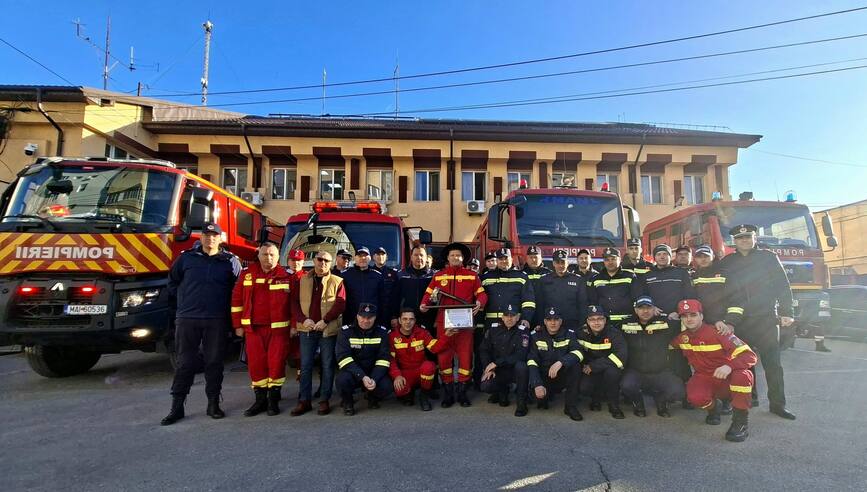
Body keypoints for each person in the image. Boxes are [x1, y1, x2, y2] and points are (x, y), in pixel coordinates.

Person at [161, 222, 242, 425]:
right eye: (207, 235)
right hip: (188, 319)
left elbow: (238, 290)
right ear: (201, 237)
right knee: (185, 363)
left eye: (214, 235)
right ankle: (177, 407)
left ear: (221, 238)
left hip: (216, 320)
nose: (210, 238)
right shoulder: (186, 258)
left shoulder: (230, 261)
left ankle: (213, 404)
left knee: (214, 363)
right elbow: (172, 283)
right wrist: (183, 304)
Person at [718, 224, 797, 420]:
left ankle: (778, 405)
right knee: (743, 363)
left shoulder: (768, 258)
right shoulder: (727, 262)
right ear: (734, 241)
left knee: (773, 364)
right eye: (740, 238)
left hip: (766, 318)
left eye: (748, 237)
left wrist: (787, 312)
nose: (744, 240)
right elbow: (720, 290)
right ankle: (749, 398)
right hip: (740, 320)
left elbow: (783, 285)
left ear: (755, 238)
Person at [671, 299, 757, 442]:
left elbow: (750, 355)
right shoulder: (682, 338)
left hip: (726, 377)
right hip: (704, 377)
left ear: (701, 316)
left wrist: (729, 366)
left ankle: (740, 423)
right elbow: (665, 346)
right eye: (684, 316)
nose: (689, 319)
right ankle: (714, 408)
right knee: (695, 398)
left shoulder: (719, 332)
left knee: (743, 375)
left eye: (693, 314)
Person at [420, 242, 487, 408]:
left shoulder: (472, 276)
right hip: (444, 325)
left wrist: (480, 302)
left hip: (465, 324)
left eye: (458, 255)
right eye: (452, 255)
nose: (455, 257)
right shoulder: (439, 276)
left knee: (465, 359)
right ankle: (449, 394)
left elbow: (482, 294)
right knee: (444, 359)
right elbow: (429, 294)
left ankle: (462, 393)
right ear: (448, 258)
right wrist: (423, 304)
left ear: (463, 258)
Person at [230, 242, 293, 417]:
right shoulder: (246, 275)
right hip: (253, 330)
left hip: (278, 331)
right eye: (265, 254)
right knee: (256, 365)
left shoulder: (286, 276)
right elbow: (236, 302)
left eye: (272, 254)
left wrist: (294, 326)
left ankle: (273, 400)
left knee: (276, 364)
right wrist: (237, 325)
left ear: (278, 257)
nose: (269, 258)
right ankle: (260, 400)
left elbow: (294, 304)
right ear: (258, 256)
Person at [290, 251, 346, 416]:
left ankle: (324, 400)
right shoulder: (302, 280)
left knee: (327, 366)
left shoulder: (338, 281)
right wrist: (302, 319)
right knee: (305, 366)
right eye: (320, 259)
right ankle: (304, 401)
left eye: (327, 261)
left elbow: (340, 304)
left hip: (326, 330)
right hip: (307, 328)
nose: (323, 263)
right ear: (314, 260)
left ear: (331, 263)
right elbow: (293, 302)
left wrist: (326, 320)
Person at [619, 296, 684, 417]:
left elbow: (686, 326)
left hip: (660, 371)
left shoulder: (665, 323)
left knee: (678, 390)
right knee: (626, 385)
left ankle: (661, 400)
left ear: (654, 309)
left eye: (648, 307)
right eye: (641, 308)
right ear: (635, 310)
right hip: (636, 371)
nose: (645, 311)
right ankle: (638, 403)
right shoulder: (625, 324)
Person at [335, 303, 393, 415]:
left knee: (387, 385)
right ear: (357, 316)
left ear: (375, 317)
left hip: (372, 371)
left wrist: (374, 379)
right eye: (363, 317)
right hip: (353, 372)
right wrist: (362, 376)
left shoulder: (382, 332)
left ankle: (372, 396)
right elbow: (343, 358)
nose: (366, 320)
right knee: (342, 381)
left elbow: (384, 359)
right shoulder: (345, 332)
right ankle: (348, 402)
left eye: (370, 317)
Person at [527, 306, 584, 421]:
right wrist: (537, 383)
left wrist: (561, 362)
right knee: (539, 400)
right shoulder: (536, 335)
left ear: (561, 321)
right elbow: (531, 360)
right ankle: (546, 395)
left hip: (561, 374)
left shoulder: (569, 334)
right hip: (544, 377)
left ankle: (570, 407)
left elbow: (579, 352)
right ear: (544, 321)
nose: (553, 323)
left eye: (556, 319)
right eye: (549, 319)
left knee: (575, 366)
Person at [389, 307, 448, 411]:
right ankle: (408, 393)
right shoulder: (392, 336)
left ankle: (424, 396)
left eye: (411, 319)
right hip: (404, 372)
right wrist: (397, 376)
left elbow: (435, 348)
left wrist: (446, 336)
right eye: (405, 319)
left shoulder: (422, 332)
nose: (408, 322)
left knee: (429, 367)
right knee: (400, 390)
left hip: (420, 369)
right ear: (399, 320)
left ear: (415, 320)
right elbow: (391, 360)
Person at [479, 304, 531, 417]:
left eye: (512, 316)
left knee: (522, 367)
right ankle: (503, 391)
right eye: (506, 315)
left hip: (514, 371)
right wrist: (488, 367)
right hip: (498, 370)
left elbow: (521, 354)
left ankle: (521, 403)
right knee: (485, 386)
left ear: (518, 317)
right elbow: (484, 350)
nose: (509, 318)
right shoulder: (493, 330)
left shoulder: (523, 331)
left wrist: (497, 363)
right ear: (502, 317)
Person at [578, 305, 628, 419]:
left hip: (608, 368)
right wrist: (585, 366)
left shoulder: (614, 333)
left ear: (605, 320)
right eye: (592, 319)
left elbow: (621, 355)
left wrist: (594, 366)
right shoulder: (581, 333)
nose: (596, 323)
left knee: (612, 373)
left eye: (600, 319)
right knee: (583, 387)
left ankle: (614, 405)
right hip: (590, 369)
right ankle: (596, 399)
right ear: (587, 321)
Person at [482, 248, 536, 330]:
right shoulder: (486, 277)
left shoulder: (521, 277)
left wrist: (526, 318)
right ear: (496, 260)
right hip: (491, 323)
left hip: (514, 323)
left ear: (511, 259)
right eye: (501, 259)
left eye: (506, 258)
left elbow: (528, 301)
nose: (504, 261)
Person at [586, 247, 641, 327]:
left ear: (620, 260)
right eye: (607, 260)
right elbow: (592, 302)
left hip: (627, 322)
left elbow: (637, 297)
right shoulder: (596, 279)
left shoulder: (630, 276)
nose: (610, 262)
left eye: (613, 259)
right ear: (604, 262)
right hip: (604, 324)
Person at [535, 250, 588, 330]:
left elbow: (583, 304)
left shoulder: (578, 280)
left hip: (572, 325)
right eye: (557, 262)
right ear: (553, 263)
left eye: (563, 262)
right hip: (551, 324)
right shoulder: (544, 280)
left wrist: (582, 324)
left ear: (568, 263)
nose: (560, 265)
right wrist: (541, 323)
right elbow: (540, 304)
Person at [389, 244, 435, 334]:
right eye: (416, 255)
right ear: (411, 257)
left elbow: (438, 299)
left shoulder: (434, 276)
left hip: (428, 318)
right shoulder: (401, 275)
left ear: (426, 258)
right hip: (407, 318)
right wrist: (394, 316)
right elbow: (394, 298)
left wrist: (437, 319)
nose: (419, 257)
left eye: (421, 255)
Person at [341, 247, 387, 326]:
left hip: (372, 320)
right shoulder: (345, 275)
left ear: (370, 258)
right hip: (351, 320)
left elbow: (383, 300)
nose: (363, 258)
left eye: (365, 256)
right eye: (359, 255)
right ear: (355, 258)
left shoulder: (377, 276)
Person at [286, 248, 306, 375]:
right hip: (282, 320)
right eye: (293, 260)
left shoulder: (307, 278)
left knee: (301, 354)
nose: (295, 263)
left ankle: (301, 379)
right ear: (288, 261)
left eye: (299, 260)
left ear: (303, 262)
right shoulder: (282, 276)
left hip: (300, 321)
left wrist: (295, 324)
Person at [373, 246, 399, 310]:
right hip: (372, 311)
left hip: (388, 311)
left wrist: (394, 315)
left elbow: (396, 295)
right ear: (373, 257)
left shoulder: (394, 273)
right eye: (378, 254)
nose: (380, 256)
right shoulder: (369, 272)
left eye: (382, 254)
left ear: (386, 257)